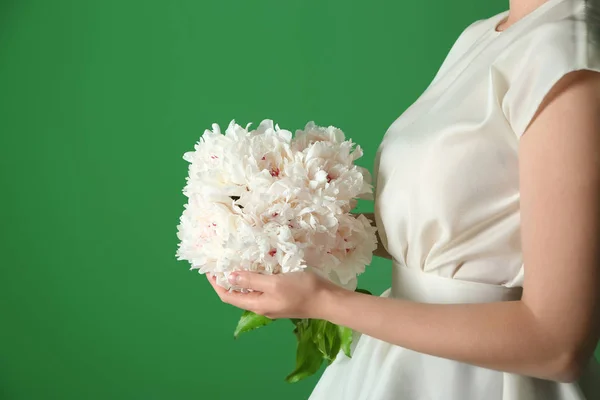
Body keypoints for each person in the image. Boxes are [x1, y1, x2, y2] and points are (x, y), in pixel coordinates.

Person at [207, 0, 600, 398]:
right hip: (395, 363)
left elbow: (557, 345)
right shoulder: (485, 33)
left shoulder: (566, 54)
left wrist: (324, 301)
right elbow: (466, 228)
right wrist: (298, 229)